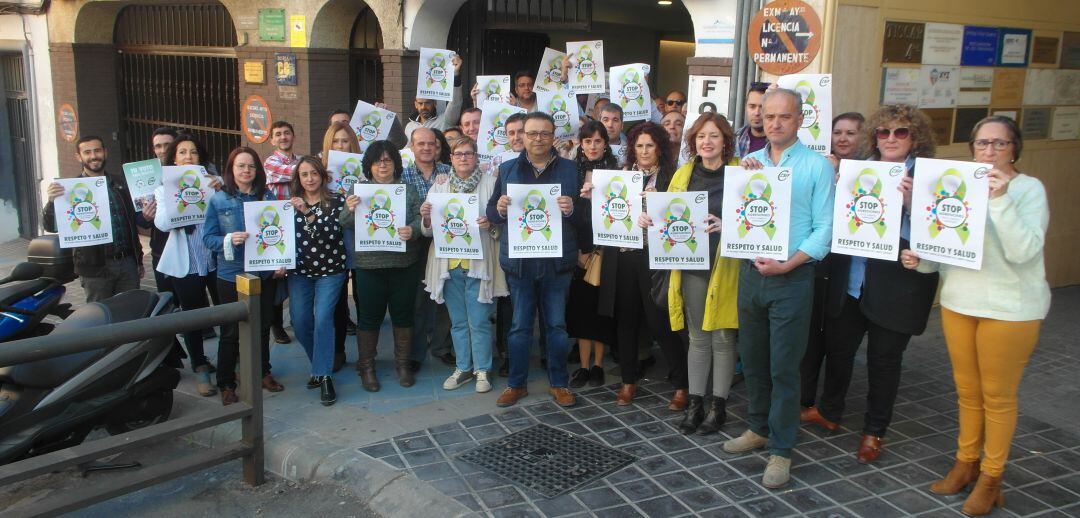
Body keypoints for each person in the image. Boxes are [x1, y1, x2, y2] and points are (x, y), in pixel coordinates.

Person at [901, 116, 1049, 516]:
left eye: (999, 144)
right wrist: (921, 257)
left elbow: (1024, 251)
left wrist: (1000, 201)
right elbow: (947, 244)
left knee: (998, 397)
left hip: (1011, 308)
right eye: (982, 144)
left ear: (1014, 148)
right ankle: (965, 463)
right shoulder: (961, 183)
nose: (990, 151)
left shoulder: (1028, 189)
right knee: (967, 391)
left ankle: (992, 477)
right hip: (960, 301)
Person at [802, 105, 939, 464]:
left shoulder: (931, 177)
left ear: (915, 137)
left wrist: (913, 206)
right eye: (884, 132)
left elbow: (947, 235)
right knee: (839, 349)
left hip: (898, 284)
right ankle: (829, 412)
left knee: (884, 361)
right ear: (873, 136)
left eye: (901, 132)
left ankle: (874, 431)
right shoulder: (856, 170)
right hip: (853, 280)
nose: (891, 139)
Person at [722, 88, 834, 488]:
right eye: (769, 116)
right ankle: (758, 427)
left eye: (784, 116)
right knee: (752, 359)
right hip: (751, 274)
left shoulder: (817, 167)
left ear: (800, 120)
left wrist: (789, 263)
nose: (774, 123)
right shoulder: (751, 164)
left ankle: (782, 450)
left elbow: (825, 228)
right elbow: (743, 218)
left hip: (791, 278)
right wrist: (744, 183)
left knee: (785, 368)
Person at [636, 114, 738, 430]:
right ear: (692, 142)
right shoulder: (683, 174)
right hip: (692, 266)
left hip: (726, 267)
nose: (707, 142)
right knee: (697, 337)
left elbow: (755, 221)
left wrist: (728, 226)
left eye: (714, 136)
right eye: (701, 136)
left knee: (722, 336)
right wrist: (647, 219)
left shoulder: (740, 173)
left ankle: (718, 406)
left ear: (725, 141)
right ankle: (695, 404)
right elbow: (668, 216)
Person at [487, 112, 582, 408]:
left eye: (544, 133)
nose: (537, 139)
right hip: (520, 263)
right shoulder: (507, 169)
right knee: (519, 327)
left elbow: (585, 216)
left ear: (553, 136)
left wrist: (571, 209)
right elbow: (491, 212)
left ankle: (559, 383)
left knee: (556, 326)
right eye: (532, 133)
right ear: (522, 137)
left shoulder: (570, 169)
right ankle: (517, 384)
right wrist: (500, 209)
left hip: (557, 262)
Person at [420, 137, 507, 393]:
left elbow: (504, 224)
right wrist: (426, 218)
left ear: (477, 157)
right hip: (449, 265)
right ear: (451, 158)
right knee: (458, 321)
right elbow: (427, 233)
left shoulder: (492, 184)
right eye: (458, 154)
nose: (463, 158)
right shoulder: (439, 187)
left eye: (468, 154)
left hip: (480, 264)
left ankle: (482, 369)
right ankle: (463, 368)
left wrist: (491, 224)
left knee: (478, 321)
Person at [201, 147, 285, 405]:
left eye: (250, 166)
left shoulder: (267, 196)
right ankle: (227, 382)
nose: (246, 170)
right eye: (240, 166)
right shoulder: (219, 200)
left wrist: (281, 262)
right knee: (230, 331)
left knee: (261, 326)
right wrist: (228, 238)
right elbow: (208, 238)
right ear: (231, 170)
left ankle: (262, 371)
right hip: (231, 273)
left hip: (264, 271)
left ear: (257, 170)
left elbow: (279, 234)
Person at [340, 141, 422, 391]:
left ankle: (402, 364)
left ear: (396, 164)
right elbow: (345, 221)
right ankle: (366, 366)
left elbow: (421, 218)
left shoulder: (407, 190)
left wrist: (414, 229)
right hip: (369, 265)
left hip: (403, 263)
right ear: (369, 166)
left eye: (388, 160)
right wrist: (350, 208)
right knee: (369, 317)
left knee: (403, 314)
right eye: (377, 161)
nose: (383, 165)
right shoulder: (359, 190)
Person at [144, 135, 220, 397]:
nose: (189, 157)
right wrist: (180, 199)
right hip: (185, 262)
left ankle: (229, 365)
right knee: (193, 316)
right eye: (183, 152)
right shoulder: (162, 189)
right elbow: (163, 223)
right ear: (174, 158)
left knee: (227, 312)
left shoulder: (213, 183)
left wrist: (217, 189)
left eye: (194, 152)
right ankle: (201, 367)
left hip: (214, 258)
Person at [800, 111, 865, 410]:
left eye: (850, 133)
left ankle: (831, 407)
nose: (843, 138)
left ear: (862, 137)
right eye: (838, 132)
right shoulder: (819, 166)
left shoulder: (870, 173)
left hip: (848, 267)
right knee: (809, 341)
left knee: (840, 345)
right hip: (816, 263)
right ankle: (804, 401)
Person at [43, 135, 144, 302]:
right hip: (94, 269)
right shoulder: (68, 190)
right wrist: (52, 202)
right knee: (100, 317)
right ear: (79, 157)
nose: (93, 156)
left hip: (127, 263)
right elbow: (51, 227)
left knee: (131, 313)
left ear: (105, 152)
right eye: (87, 152)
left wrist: (138, 260)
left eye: (97, 151)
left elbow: (131, 224)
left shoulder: (120, 184)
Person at [287, 156, 348, 406]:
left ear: (322, 176)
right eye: (304, 174)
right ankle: (319, 364)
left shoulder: (336, 201)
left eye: (314, 173)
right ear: (298, 179)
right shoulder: (288, 205)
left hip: (331, 270)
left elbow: (332, 234)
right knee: (300, 322)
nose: (310, 178)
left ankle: (324, 376)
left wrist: (307, 212)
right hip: (299, 272)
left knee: (323, 318)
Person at [563, 121, 618, 389]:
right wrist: (575, 254)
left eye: (597, 141)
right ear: (580, 144)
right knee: (581, 311)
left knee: (601, 311)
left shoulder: (617, 173)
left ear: (605, 143)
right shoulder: (571, 173)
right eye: (587, 141)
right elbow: (564, 218)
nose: (592, 146)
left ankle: (598, 365)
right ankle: (583, 366)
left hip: (607, 251)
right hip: (579, 252)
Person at [403, 127, 455, 370]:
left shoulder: (451, 172)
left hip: (445, 242)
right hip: (415, 244)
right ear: (411, 147)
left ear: (437, 147)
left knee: (444, 295)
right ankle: (415, 352)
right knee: (417, 299)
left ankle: (441, 346)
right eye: (420, 143)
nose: (426, 148)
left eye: (430, 144)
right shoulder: (401, 176)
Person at [320, 121, 362, 371]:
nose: (340, 145)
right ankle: (337, 350)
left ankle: (366, 354)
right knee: (336, 298)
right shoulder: (320, 168)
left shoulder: (364, 166)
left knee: (361, 293)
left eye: (345, 140)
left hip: (358, 235)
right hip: (330, 239)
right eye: (335, 141)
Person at [263, 120, 299, 345]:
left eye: (287, 133)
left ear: (293, 135)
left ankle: (297, 319)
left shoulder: (302, 160)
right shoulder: (271, 162)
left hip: (298, 225)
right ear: (272, 140)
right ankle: (276, 325)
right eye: (278, 134)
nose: (283, 137)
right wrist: (319, 165)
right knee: (277, 277)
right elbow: (294, 174)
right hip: (278, 227)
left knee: (296, 275)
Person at [404, 54, 464, 141]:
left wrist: (456, 74)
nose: (423, 107)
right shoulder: (409, 126)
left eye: (428, 103)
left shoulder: (445, 121)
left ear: (435, 103)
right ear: (415, 104)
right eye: (420, 103)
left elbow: (455, 103)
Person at [734, 82, 770, 159]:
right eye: (752, 106)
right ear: (746, 107)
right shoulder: (735, 139)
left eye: (762, 107)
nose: (756, 113)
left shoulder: (781, 141)